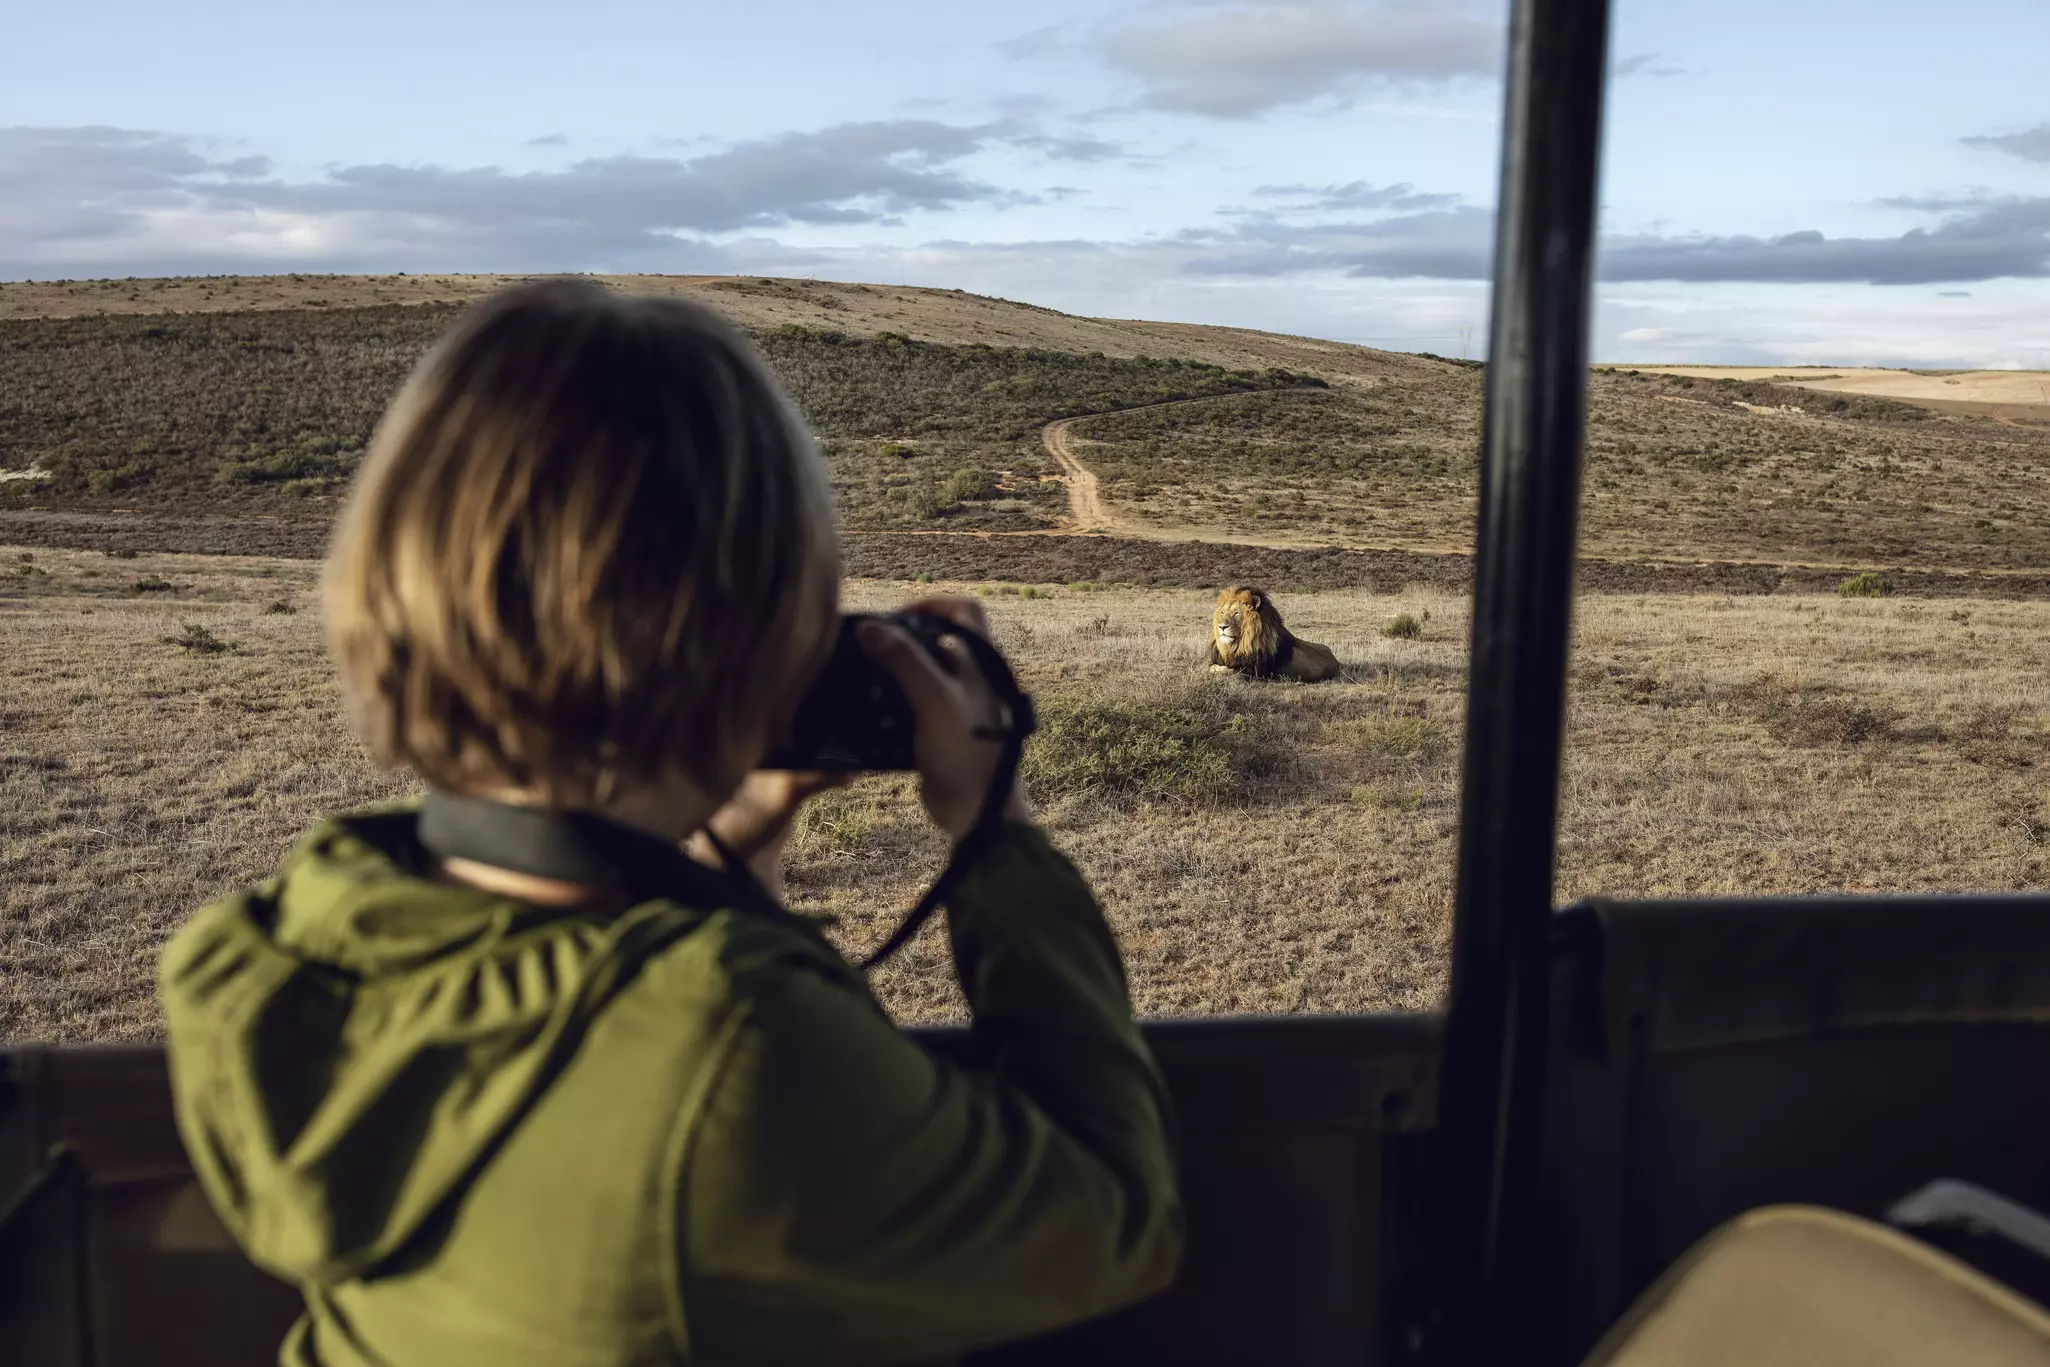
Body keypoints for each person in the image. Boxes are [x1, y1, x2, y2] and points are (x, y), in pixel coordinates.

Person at [156, 280, 1184, 1366]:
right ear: (769, 638)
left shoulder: (270, 958)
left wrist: (721, 853)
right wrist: (995, 832)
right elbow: (1111, 1216)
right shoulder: (729, 1033)